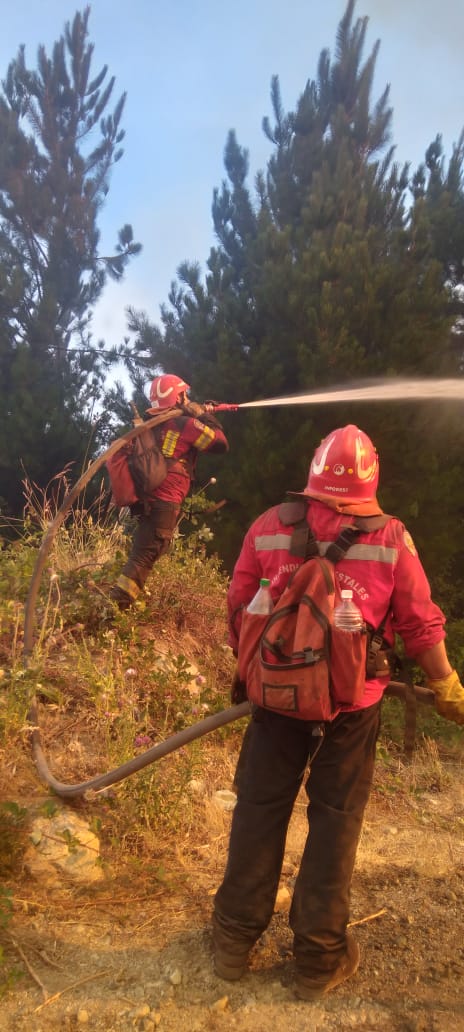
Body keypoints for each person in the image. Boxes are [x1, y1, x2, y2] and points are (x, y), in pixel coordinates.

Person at [213, 424, 464, 999]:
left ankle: (233, 942)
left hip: (274, 703)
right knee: (334, 823)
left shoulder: (269, 526)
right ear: (371, 481)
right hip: (352, 708)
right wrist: (446, 686)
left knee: (258, 811)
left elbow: (238, 609)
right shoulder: (391, 540)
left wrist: (260, 671)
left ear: (313, 475)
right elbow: (421, 625)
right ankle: (317, 962)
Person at [111, 374, 229, 609]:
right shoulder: (183, 424)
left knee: (146, 552)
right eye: (185, 394)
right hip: (164, 502)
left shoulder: (149, 426)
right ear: (179, 396)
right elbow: (220, 443)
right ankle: (115, 609)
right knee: (145, 555)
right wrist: (201, 415)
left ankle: (122, 604)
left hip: (146, 501)